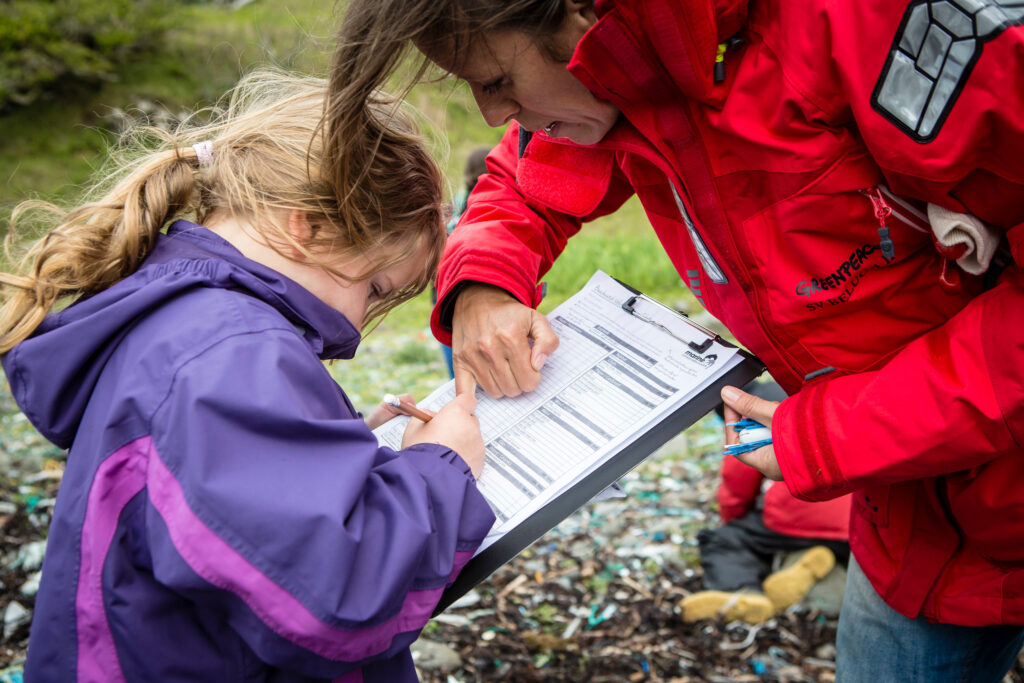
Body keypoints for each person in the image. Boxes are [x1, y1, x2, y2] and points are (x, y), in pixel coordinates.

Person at [328, 1, 1024, 680]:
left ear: (579, 13)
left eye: (496, 81)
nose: (490, 115)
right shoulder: (623, 78)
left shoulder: (867, 26)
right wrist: (482, 281)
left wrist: (833, 437)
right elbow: (524, 181)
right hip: (915, 528)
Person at [0, 70, 495, 682]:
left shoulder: (187, 323)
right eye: (374, 289)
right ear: (307, 227)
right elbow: (331, 604)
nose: (359, 327)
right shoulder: (231, 352)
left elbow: (211, 499)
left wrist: (330, 441)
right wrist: (442, 467)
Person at [682, 380, 851, 624]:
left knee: (726, 540)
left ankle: (742, 591)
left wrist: (736, 525)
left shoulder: (749, 422)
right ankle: (823, 561)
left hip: (795, 518)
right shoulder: (816, 400)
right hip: (859, 522)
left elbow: (737, 489)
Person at [437, 146, 492, 377]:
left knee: (456, 364)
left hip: (444, 299)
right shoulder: (493, 209)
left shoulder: (449, 208)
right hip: (487, 295)